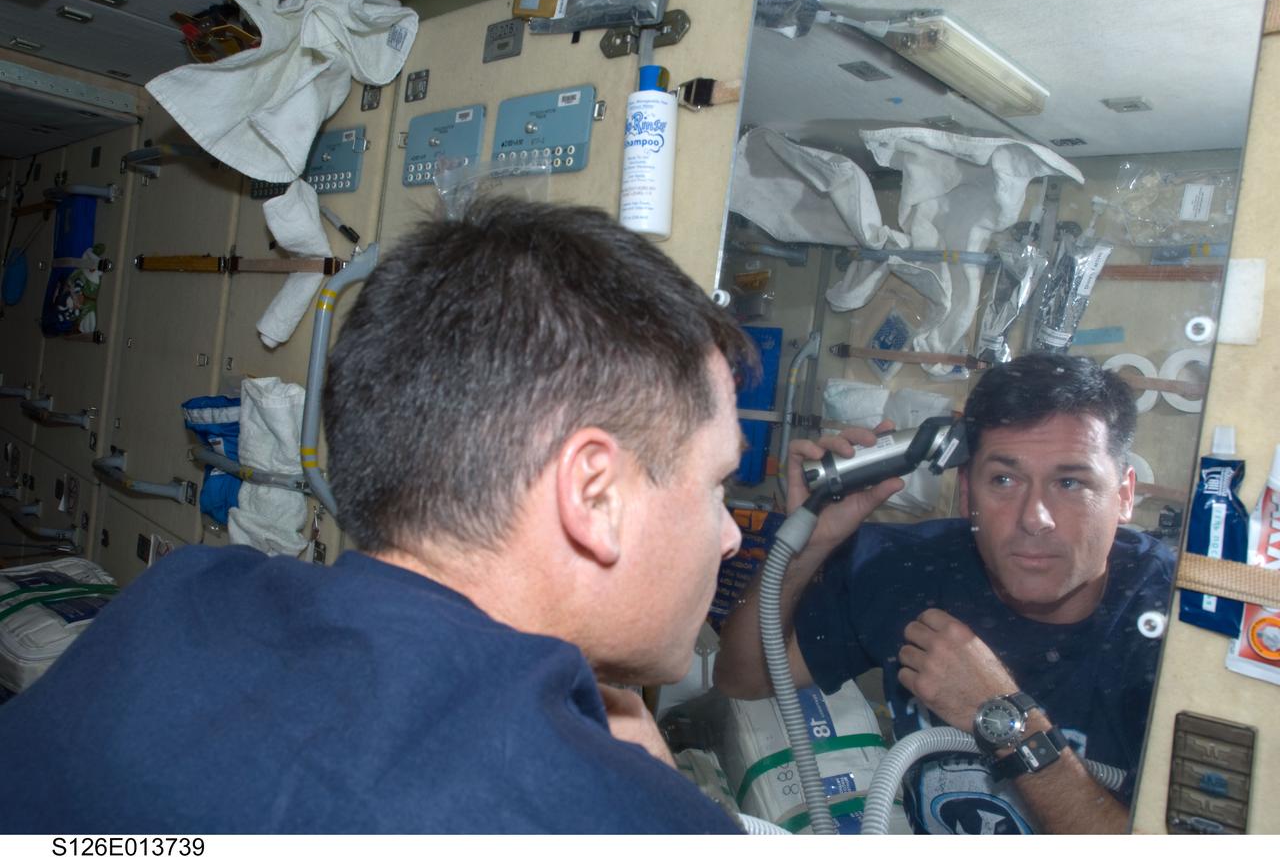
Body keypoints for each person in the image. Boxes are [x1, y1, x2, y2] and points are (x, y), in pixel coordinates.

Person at [0, 198, 757, 834]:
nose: (729, 536)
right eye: (718, 484)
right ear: (594, 495)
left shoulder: (186, 594)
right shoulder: (600, 820)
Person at [714, 353, 1174, 835]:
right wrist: (808, 546)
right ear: (967, 493)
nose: (1034, 518)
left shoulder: (1171, 628)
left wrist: (1001, 715)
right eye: (1004, 480)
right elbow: (743, 677)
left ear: (1124, 496)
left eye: (1070, 482)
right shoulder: (910, 568)